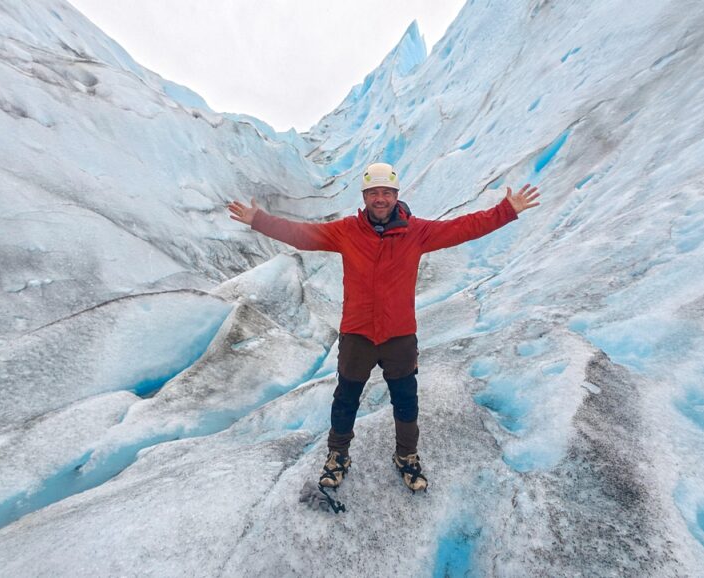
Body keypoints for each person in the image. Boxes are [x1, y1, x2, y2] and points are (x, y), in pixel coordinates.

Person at [227, 162, 540, 492]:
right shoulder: (346, 231)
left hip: (399, 336)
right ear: (364, 196)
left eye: (386, 192)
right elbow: (304, 235)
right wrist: (259, 220)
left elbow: (464, 227)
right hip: (357, 335)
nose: (381, 199)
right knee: (345, 399)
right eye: (374, 192)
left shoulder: (417, 232)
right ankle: (338, 456)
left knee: (406, 401)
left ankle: (407, 456)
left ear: (396, 195)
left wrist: (506, 210)